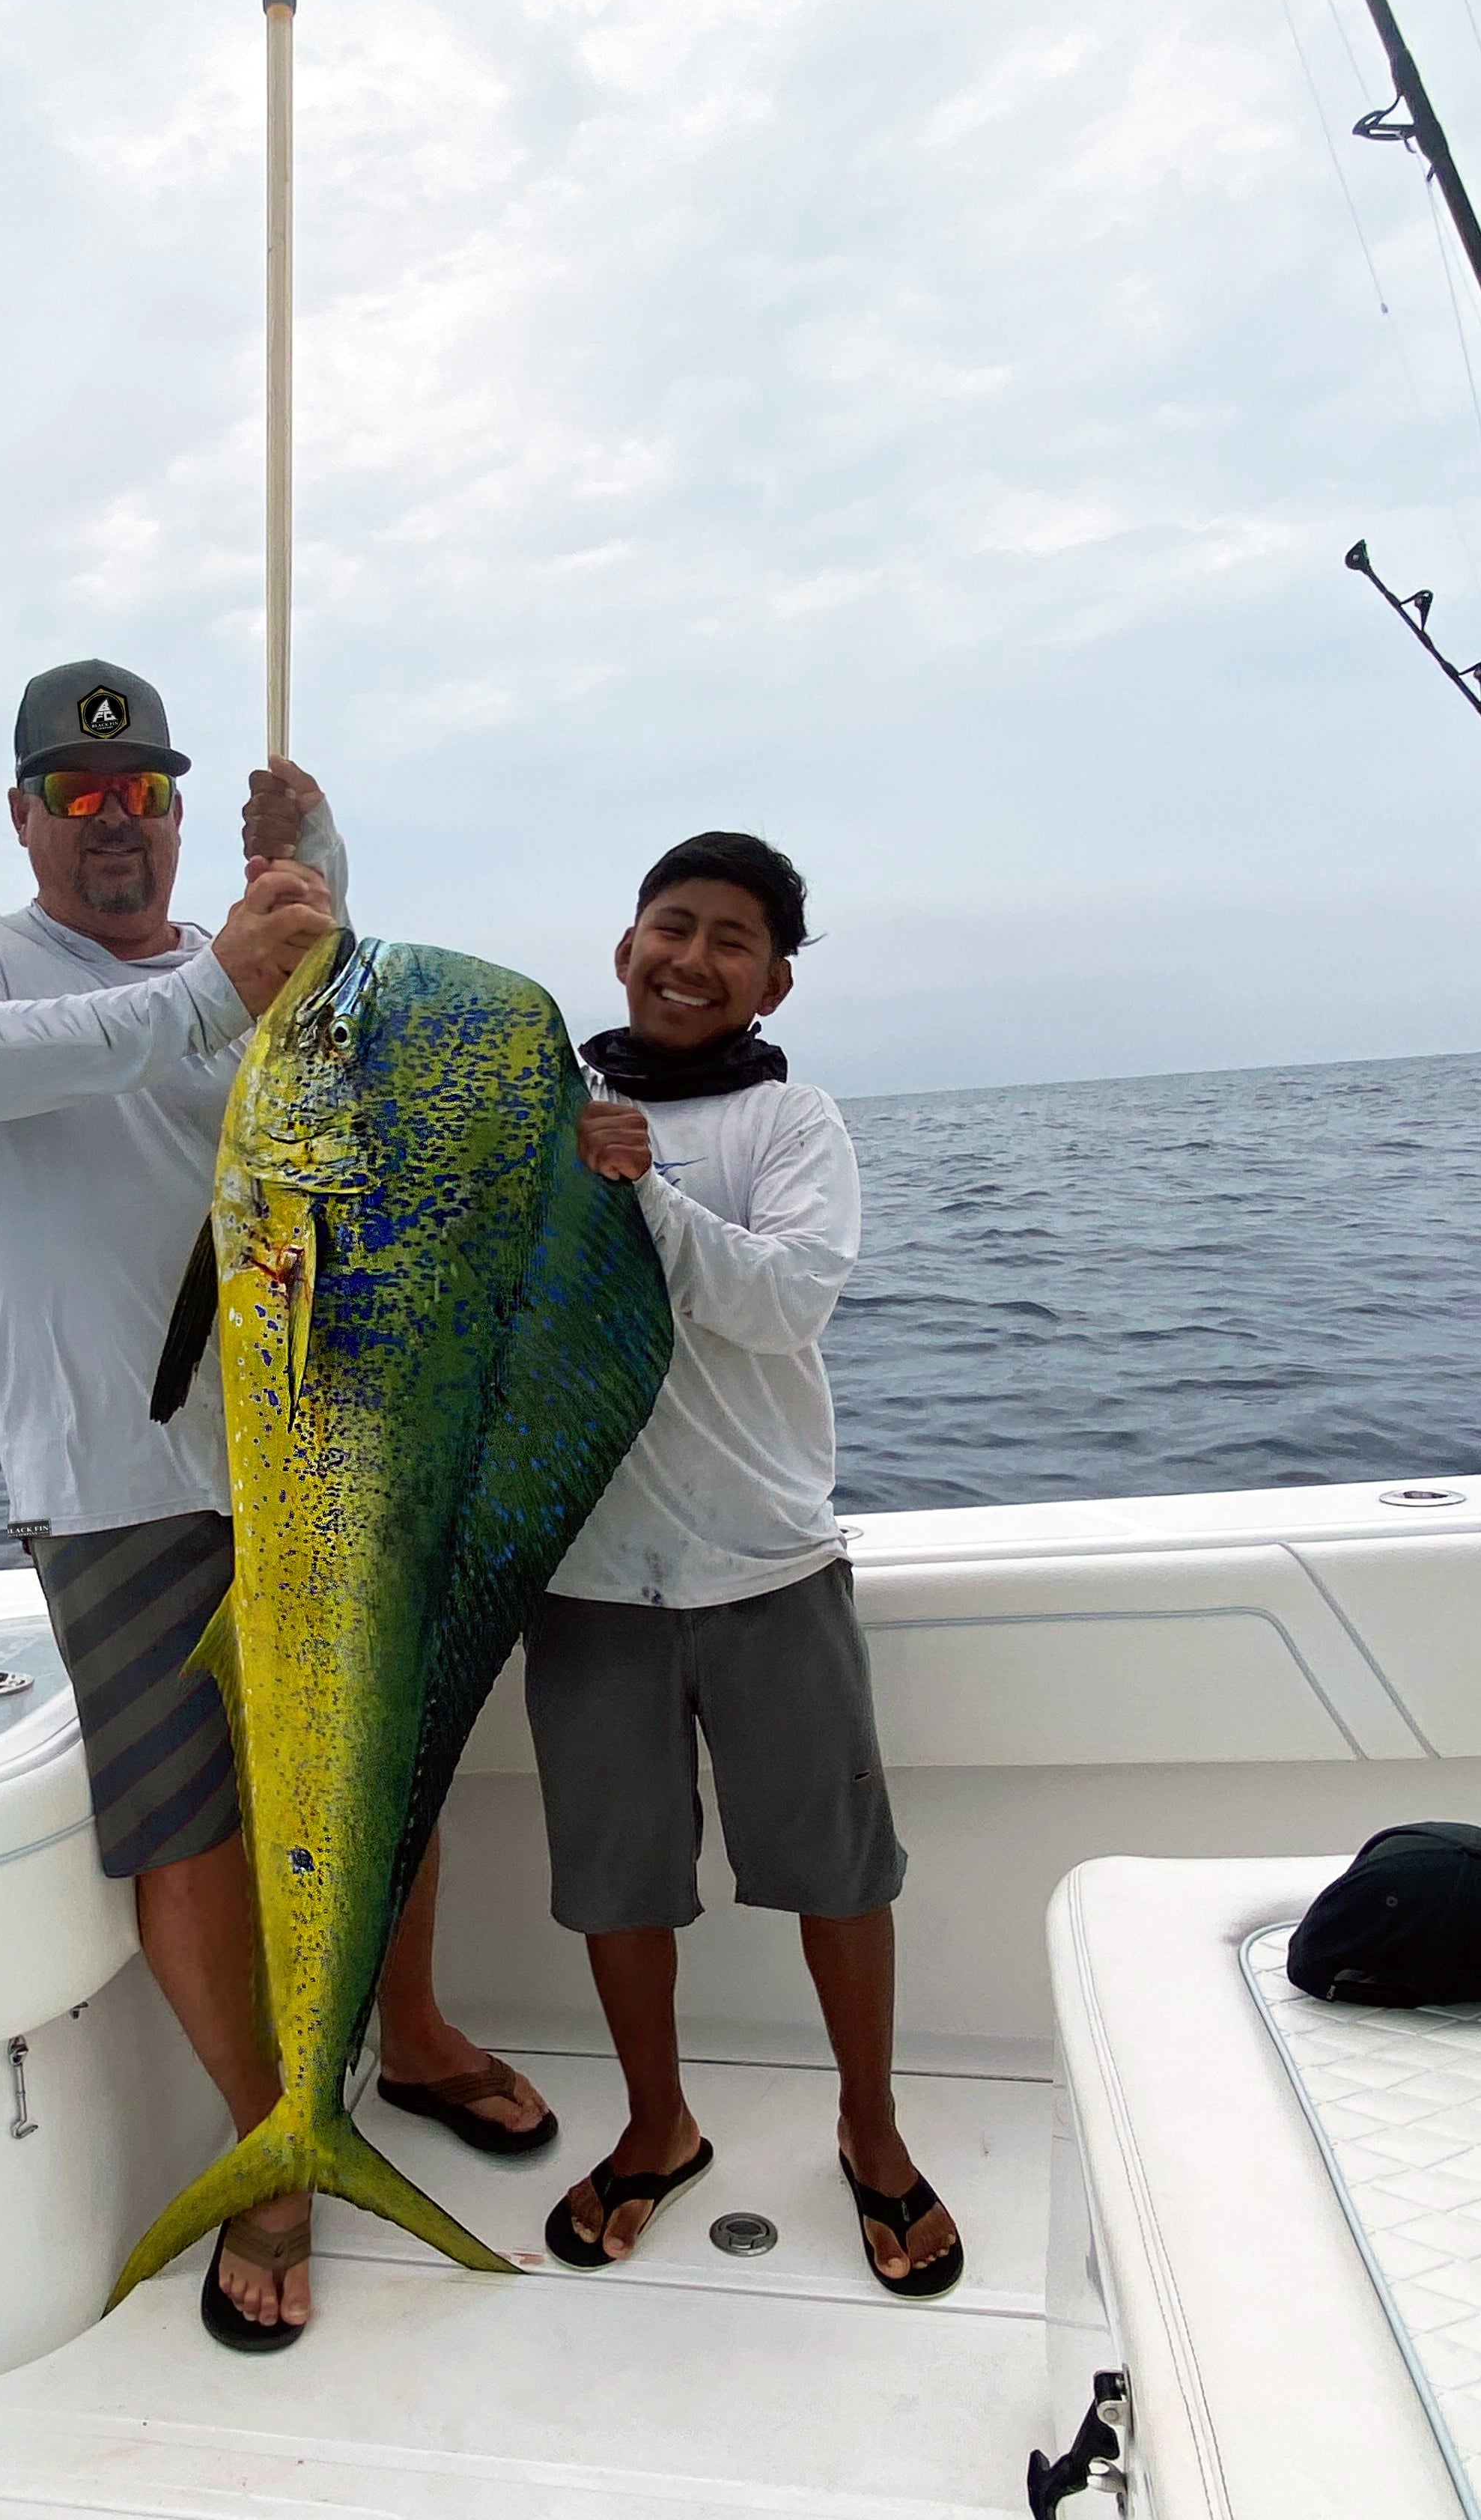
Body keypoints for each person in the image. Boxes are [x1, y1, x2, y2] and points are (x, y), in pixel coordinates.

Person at [0, 660, 552, 2350]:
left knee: (376, 1762)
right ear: (24, 814)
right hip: (119, 1487)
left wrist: (319, 878)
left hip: (310, 1449)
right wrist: (210, 995)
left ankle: (410, 2038)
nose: (121, 826)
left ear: (183, 811)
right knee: (186, 1829)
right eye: (84, 796)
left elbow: (349, 1079)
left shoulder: (246, 966)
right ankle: (277, 2150)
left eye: (148, 793)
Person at [527, 830, 961, 2294]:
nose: (691, 959)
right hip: (584, 1576)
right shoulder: (546, 1112)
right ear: (622, 945)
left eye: (731, 941)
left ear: (773, 983)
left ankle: (873, 2132)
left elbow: (781, 1307)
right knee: (614, 1884)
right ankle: (658, 2127)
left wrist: (643, 1188)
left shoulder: (795, 1128)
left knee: (839, 1872)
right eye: (671, 925)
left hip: (769, 1564)